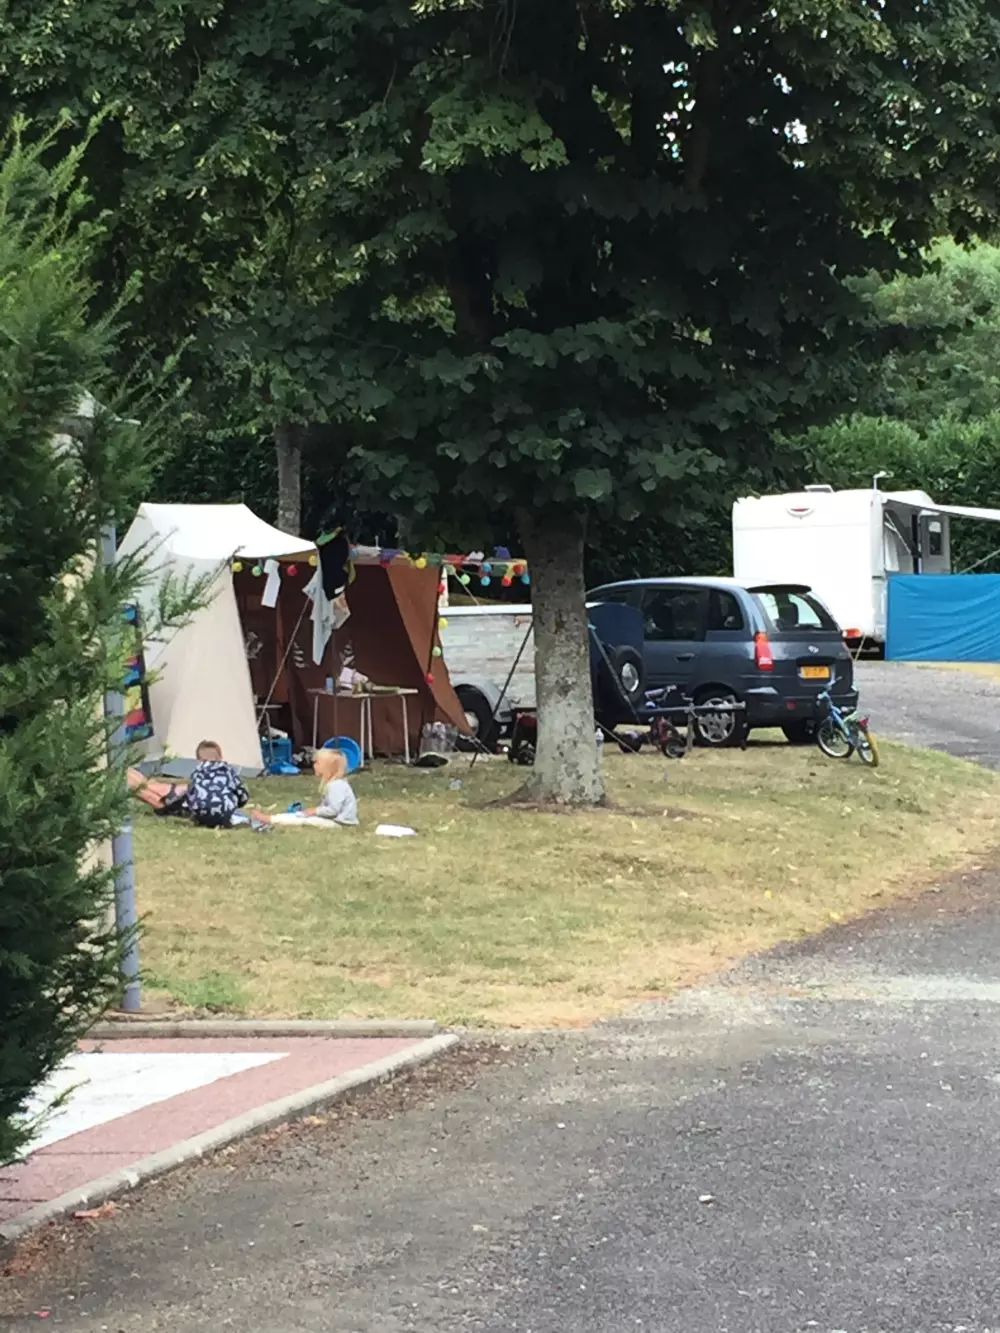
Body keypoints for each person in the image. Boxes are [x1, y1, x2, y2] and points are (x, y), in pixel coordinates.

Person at [185, 739, 251, 828]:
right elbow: (242, 793)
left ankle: (199, 819)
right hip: (225, 813)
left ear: (198, 759)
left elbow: (190, 794)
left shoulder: (196, 773)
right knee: (238, 814)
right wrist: (239, 803)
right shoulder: (228, 771)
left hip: (202, 813)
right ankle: (237, 820)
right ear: (220, 757)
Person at [307, 748, 359, 825]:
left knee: (304, 820)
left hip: (342, 821)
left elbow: (333, 810)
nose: (314, 765)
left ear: (328, 768)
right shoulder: (337, 783)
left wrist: (315, 811)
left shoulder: (335, 786)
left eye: (317, 763)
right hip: (342, 819)